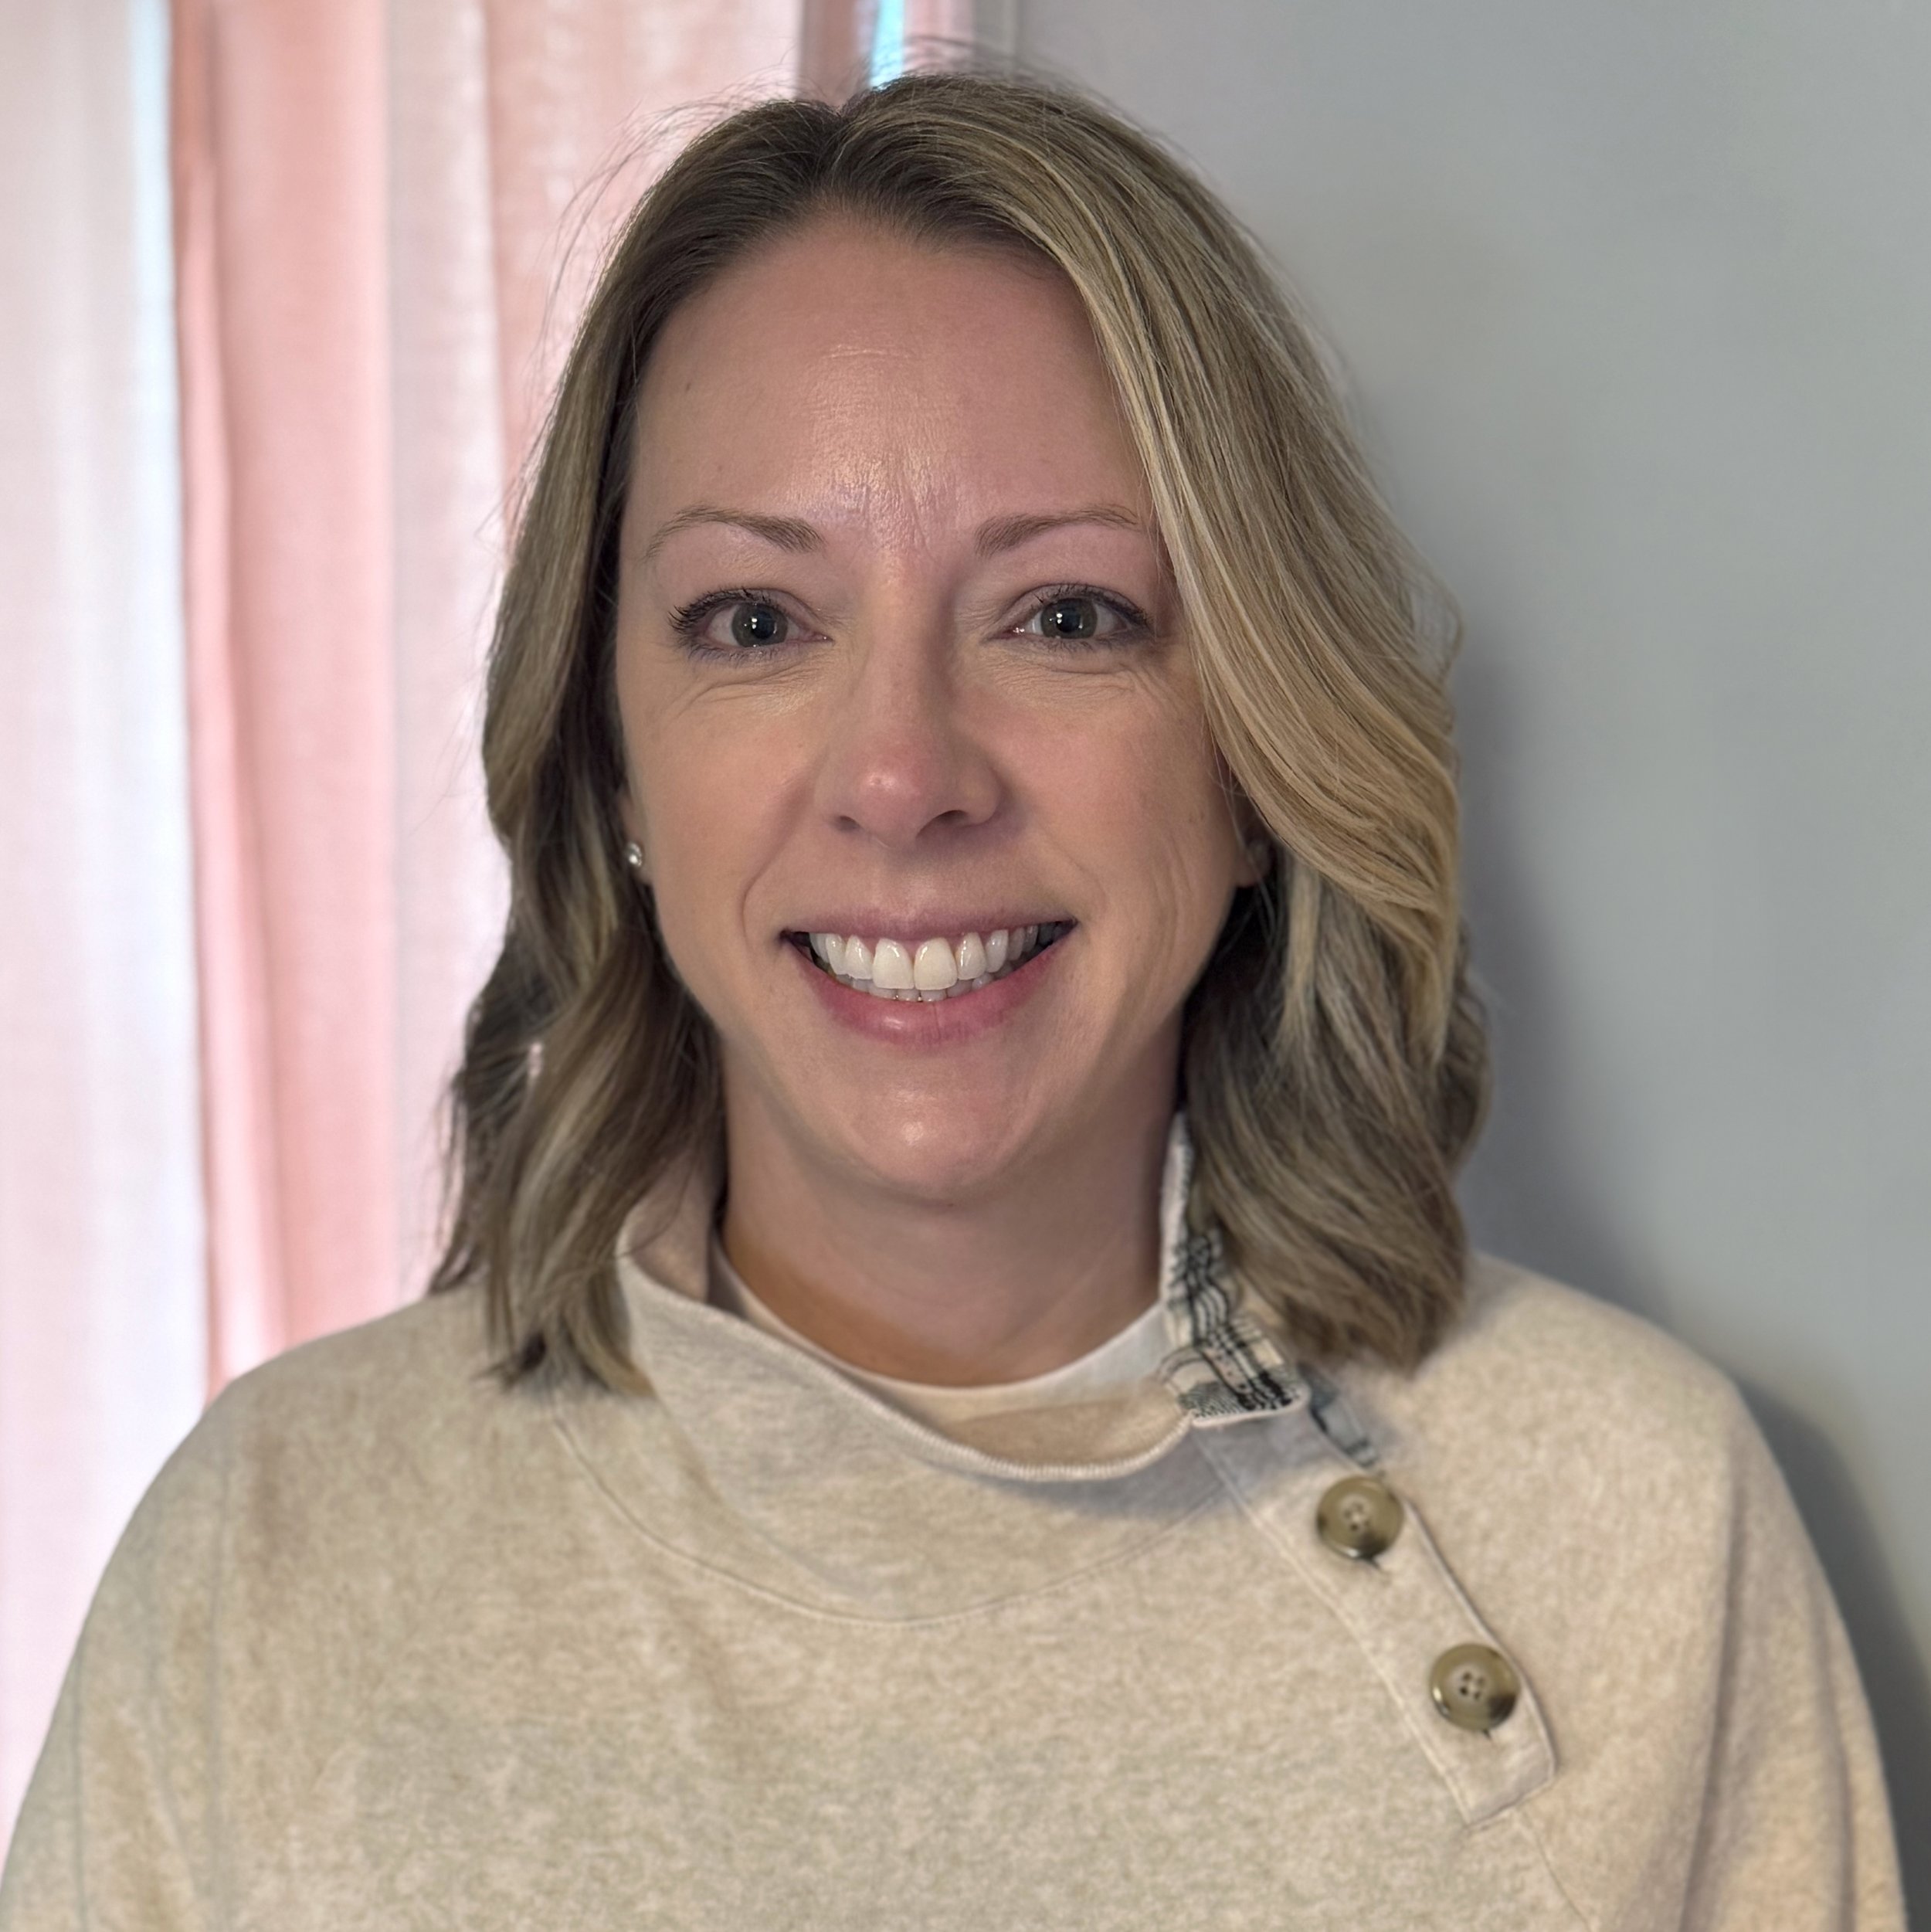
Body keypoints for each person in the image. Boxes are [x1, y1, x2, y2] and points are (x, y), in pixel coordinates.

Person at [0, 70, 1905, 1930]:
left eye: (1064, 615)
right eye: (756, 622)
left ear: (1255, 761)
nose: (903, 775)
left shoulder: (1633, 1526)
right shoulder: (274, 1557)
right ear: (611, 762)